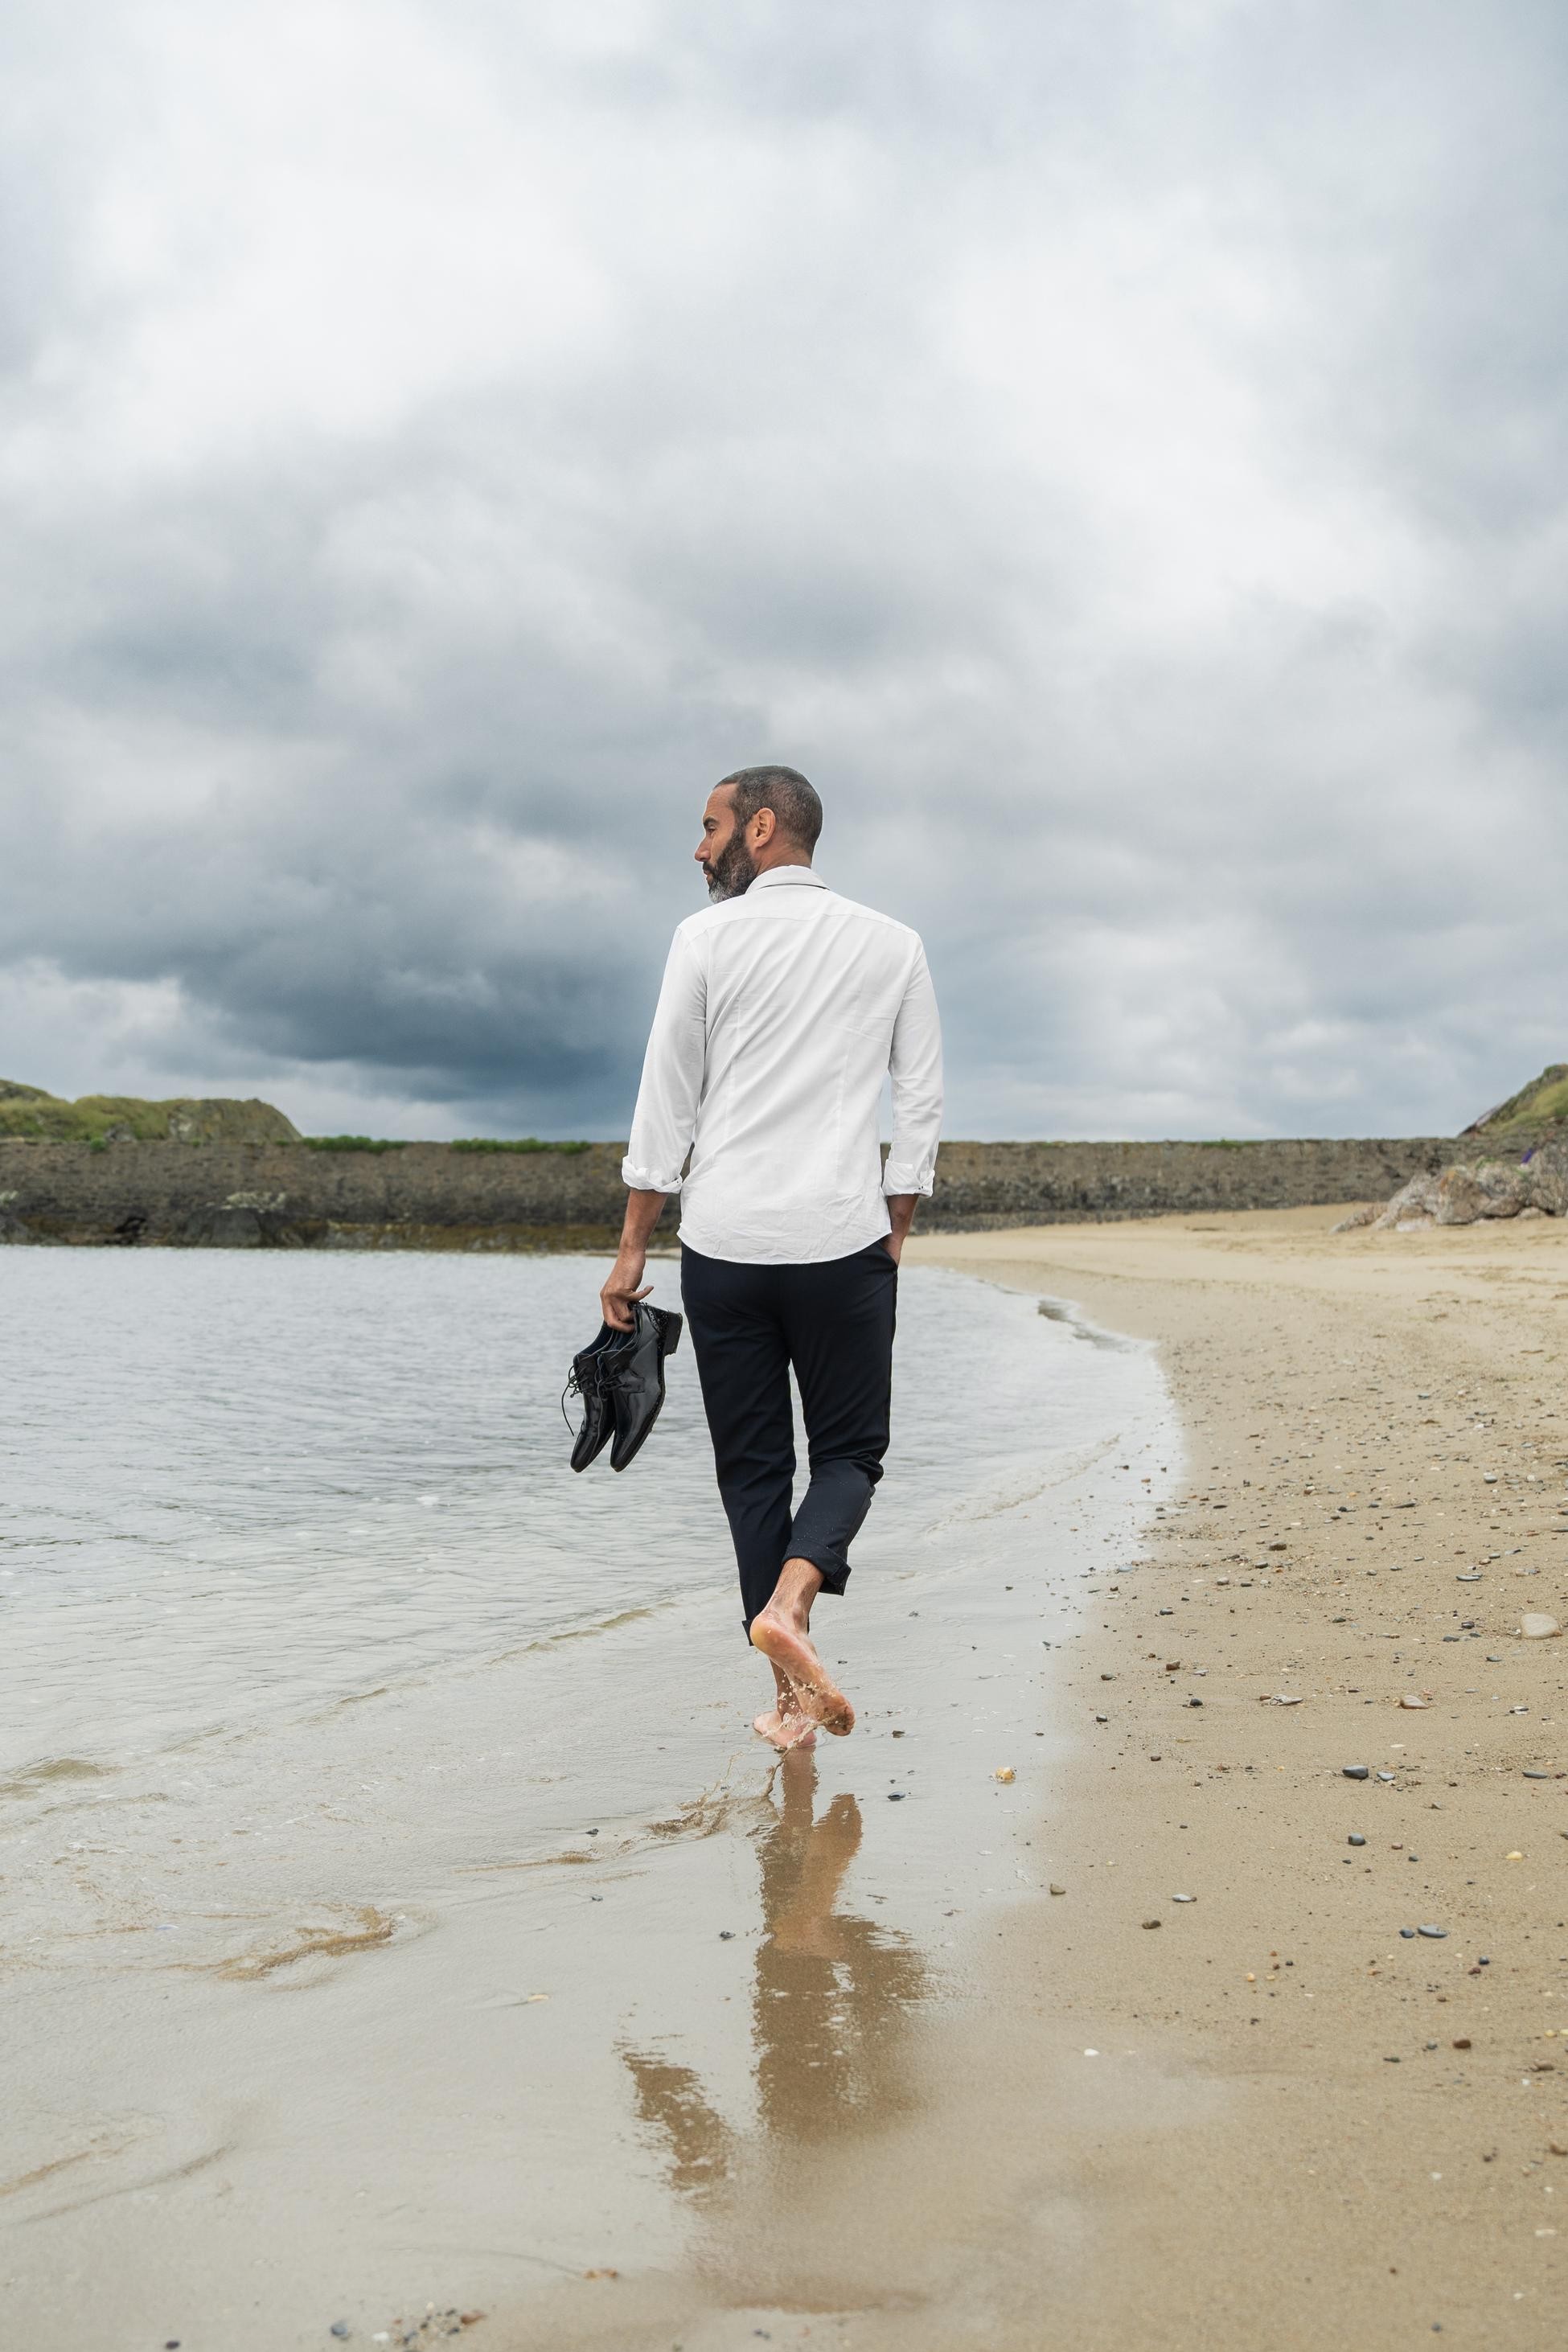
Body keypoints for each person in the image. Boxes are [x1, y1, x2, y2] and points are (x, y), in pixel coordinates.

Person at [599, 765, 942, 1751]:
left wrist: (630, 1251)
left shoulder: (703, 939)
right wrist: (897, 1227)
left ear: (761, 827)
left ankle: (788, 1704)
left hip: (724, 1244)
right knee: (849, 1455)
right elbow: (917, 1105)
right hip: (842, 1241)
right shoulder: (894, 944)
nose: (698, 848)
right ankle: (791, 1609)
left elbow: (665, 1102)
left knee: (753, 1472)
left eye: (709, 827)